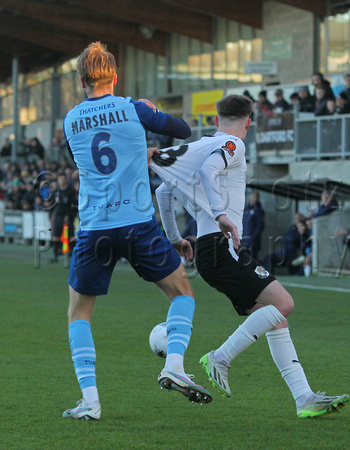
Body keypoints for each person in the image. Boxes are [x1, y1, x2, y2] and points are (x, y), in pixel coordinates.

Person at [150, 94, 350, 418]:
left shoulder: (200, 147)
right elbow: (209, 173)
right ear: (249, 122)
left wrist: (175, 238)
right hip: (219, 245)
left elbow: (163, 191)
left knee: (277, 316)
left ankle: (304, 398)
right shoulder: (234, 144)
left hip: (209, 249)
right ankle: (220, 357)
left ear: (216, 120)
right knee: (283, 303)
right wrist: (219, 215)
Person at [62, 42, 211, 421]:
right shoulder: (133, 108)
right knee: (182, 293)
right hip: (138, 223)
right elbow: (182, 130)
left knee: (79, 313)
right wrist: (153, 112)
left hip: (95, 227)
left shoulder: (70, 120)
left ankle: (91, 401)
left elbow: (94, 157)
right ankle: (174, 364)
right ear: (114, 76)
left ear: (82, 81)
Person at [49, 172, 77, 262]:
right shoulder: (56, 191)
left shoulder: (71, 191)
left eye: (63, 179)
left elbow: (74, 205)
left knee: (70, 235)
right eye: (60, 179)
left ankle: (72, 255)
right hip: (58, 215)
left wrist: (70, 215)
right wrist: (51, 213)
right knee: (56, 234)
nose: (62, 181)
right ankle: (55, 255)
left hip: (68, 215)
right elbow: (52, 203)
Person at [242, 191, 265, 261]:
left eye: (255, 197)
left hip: (253, 242)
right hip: (243, 241)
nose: (253, 198)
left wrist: (252, 238)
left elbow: (260, 226)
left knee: (252, 261)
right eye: (252, 197)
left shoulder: (259, 210)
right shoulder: (246, 209)